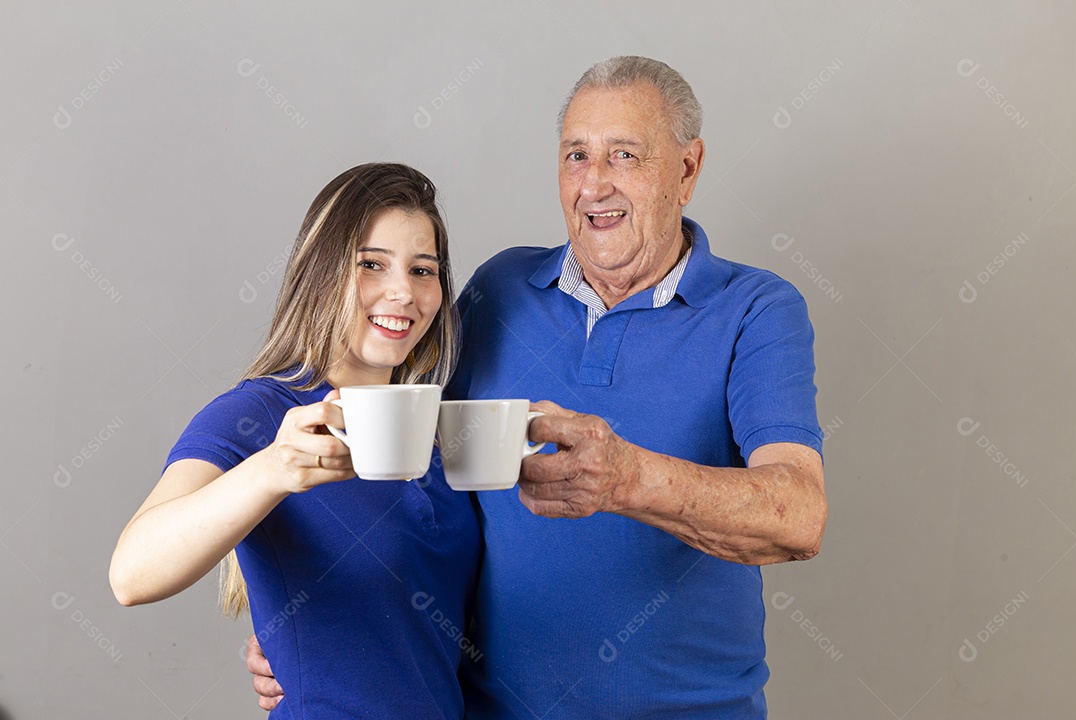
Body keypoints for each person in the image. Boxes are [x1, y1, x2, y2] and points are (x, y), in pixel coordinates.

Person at [253, 56, 827, 718]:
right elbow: (414, 490)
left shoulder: (756, 309)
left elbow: (800, 517)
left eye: (624, 156)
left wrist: (624, 480)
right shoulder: (498, 290)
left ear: (688, 169)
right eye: (576, 156)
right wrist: (317, 627)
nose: (594, 184)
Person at [110, 163, 481, 718]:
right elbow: (132, 573)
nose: (403, 291)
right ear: (322, 274)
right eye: (371, 265)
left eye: (423, 270)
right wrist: (271, 471)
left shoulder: (431, 424)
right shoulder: (258, 412)